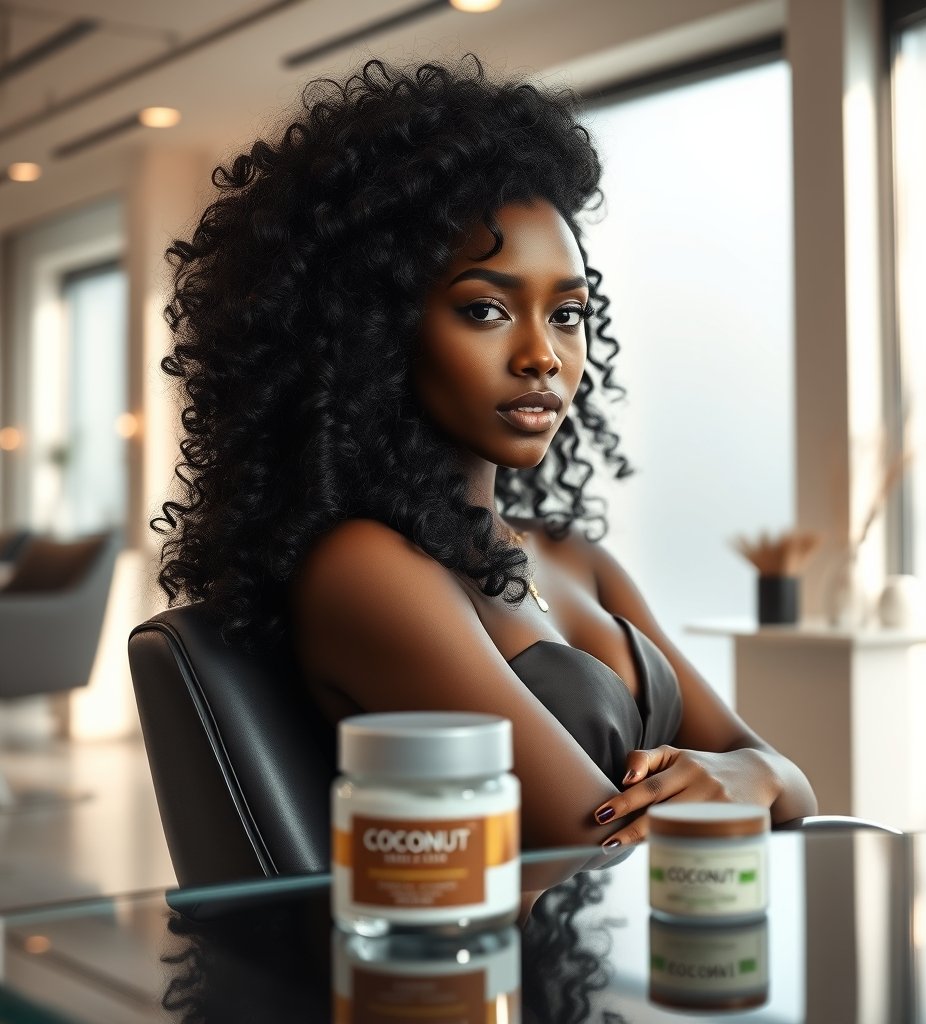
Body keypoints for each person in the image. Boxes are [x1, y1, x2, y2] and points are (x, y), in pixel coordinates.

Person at [155, 55, 816, 852]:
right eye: (486, 309)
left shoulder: (575, 558)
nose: (543, 355)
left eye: (568, 314)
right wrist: (741, 788)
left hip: (656, 951)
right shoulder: (368, 570)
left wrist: (757, 778)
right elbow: (597, 849)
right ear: (374, 329)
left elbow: (786, 781)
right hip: (482, 973)